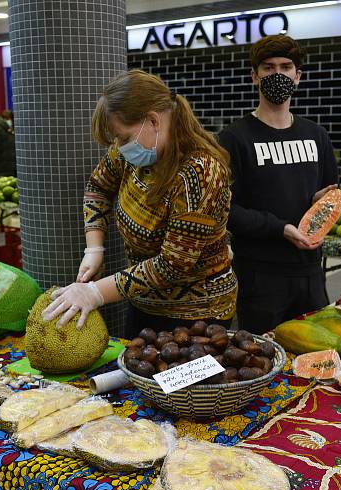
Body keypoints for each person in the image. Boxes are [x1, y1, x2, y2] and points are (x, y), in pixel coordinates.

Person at [42, 70, 238, 336]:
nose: (120, 146)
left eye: (123, 137)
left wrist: (95, 293)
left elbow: (173, 266)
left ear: (153, 121)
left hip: (198, 317)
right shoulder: (132, 152)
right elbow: (98, 187)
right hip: (143, 301)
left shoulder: (199, 173)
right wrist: (94, 247)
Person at [218, 35, 341, 335]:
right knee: (261, 362)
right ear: (255, 77)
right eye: (268, 67)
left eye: (286, 66)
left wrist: (327, 200)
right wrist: (280, 228)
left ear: (298, 76)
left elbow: (319, 196)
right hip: (259, 276)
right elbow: (226, 211)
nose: (278, 74)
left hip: (310, 273)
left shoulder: (317, 135)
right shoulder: (233, 139)